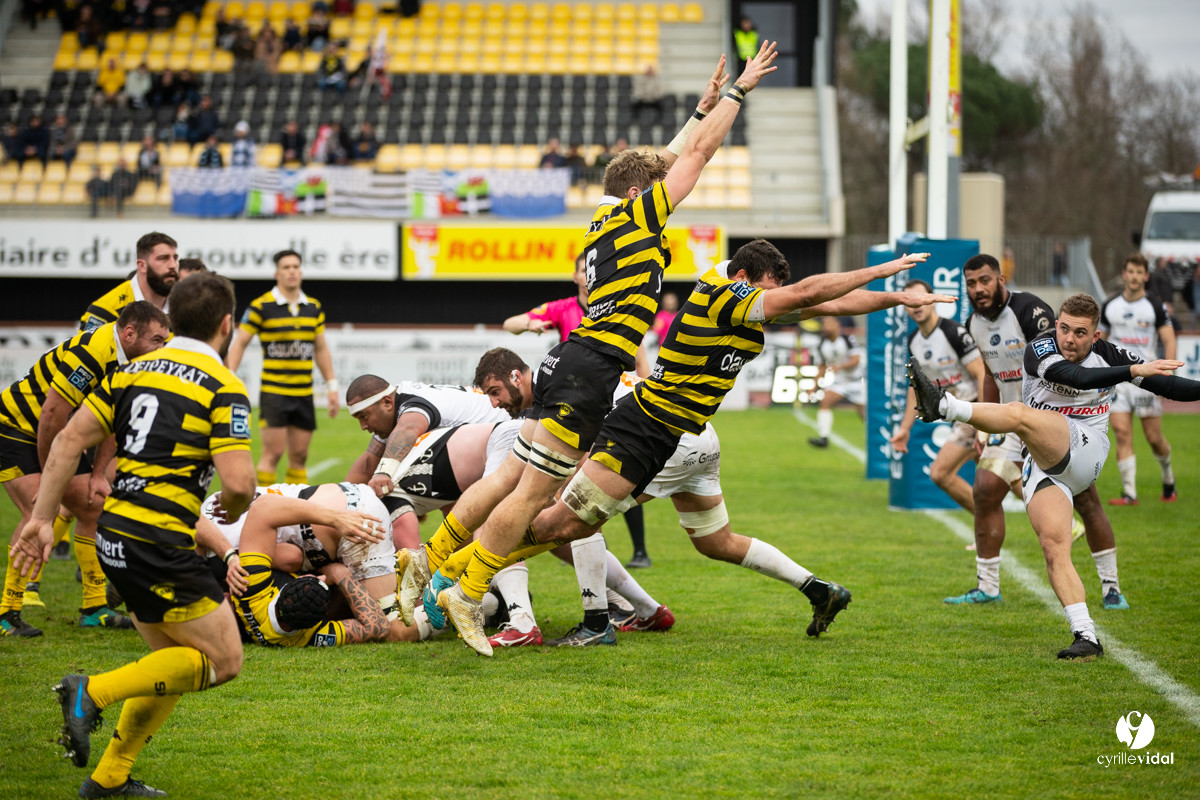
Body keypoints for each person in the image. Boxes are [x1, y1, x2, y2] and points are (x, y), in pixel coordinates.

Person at [397, 47, 781, 655]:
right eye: (656, 186)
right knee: (531, 495)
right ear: (639, 193)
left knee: (510, 478)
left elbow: (664, 159)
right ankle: (465, 592)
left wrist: (699, 110)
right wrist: (737, 95)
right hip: (591, 370)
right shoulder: (640, 216)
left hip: (568, 362)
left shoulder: (605, 219)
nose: (667, 190)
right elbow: (699, 157)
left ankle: (432, 560)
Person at [430, 242, 953, 654]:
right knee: (556, 524)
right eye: (767, 291)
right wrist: (884, 272)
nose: (772, 303)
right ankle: (460, 583)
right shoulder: (721, 294)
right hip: (643, 425)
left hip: (671, 435)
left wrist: (898, 299)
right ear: (744, 279)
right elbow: (803, 296)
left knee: (575, 525)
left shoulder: (745, 301)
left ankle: (472, 583)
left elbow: (823, 299)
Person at [9, 272, 258, 797]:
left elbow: (66, 442)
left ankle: (109, 778)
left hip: (115, 535)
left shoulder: (130, 372)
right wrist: (231, 505)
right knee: (224, 661)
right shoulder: (223, 387)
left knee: (170, 660)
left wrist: (40, 519)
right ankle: (90, 692)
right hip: (160, 540)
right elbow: (239, 484)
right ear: (227, 325)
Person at [907, 293, 1200, 659]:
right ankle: (1086, 636)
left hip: (1086, 447)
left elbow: (1168, 385)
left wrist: (1138, 371)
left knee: (1018, 414)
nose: (1069, 339)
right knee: (1053, 546)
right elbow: (1070, 376)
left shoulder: (1110, 354)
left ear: (1095, 336)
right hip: (1044, 461)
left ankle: (944, 405)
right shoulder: (1040, 349)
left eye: (1080, 333)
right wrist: (1132, 372)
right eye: (1064, 328)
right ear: (1056, 325)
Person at [949, 254, 1112, 606]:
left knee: (1087, 500)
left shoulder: (1029, 311)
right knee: (985, 490)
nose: (978, 289)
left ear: (1000, 279)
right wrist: (982, 426)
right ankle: (988, 586)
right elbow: (990, 376)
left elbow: (1058, 364)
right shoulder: (972, 322)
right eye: (971, 283)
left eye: (984, 281)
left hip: (1050, 419)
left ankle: (1111, 587)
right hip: (1007, 421)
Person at [0, 302, 171, 638]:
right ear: (129, 333)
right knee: (37, 509)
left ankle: (93, 607)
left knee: (93, 504)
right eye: (157, 340)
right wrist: (53, 477)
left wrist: (96, 473)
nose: (162, 349)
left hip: (61, 433)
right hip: (15, 427)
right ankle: (7, 611)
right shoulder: (91, 352)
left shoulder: (137, 363)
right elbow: (51, 413)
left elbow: (109, 422)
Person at [501, 255, 652, 566]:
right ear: (576, 276)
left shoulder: (617, 309)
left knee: (617, 475)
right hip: (577, 406)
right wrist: (529, 324)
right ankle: (595, 553)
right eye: (584, 270)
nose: (589, 275)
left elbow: (641, 364)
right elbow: (509, 323)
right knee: (584, 484)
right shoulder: (562, 309)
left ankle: (638, 551)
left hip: (613, 404)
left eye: (592, 269)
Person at [225, 249, 339, 488]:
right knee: (272, 454)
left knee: (299, 457)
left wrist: (332, 386)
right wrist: (227, 379)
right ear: (277, 273)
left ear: (301, 271)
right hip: (274, 393)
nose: (292, 271)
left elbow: (320, 349)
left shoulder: (313, 307)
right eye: (286, 267)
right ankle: (259, 509)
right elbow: (240, 344)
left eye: (296, 266)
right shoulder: (261, 306)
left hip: (303, 394)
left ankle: (295, 517)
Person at [889, 279, 987, 514]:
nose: (916, 306)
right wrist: (904, 429)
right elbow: (917, 389)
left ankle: (985, 527)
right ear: (904, 307)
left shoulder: (952, 331)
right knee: (998, 476)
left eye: (921, 299)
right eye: (910, 302)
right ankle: (988, 536)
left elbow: (982, 375)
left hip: (975, 411)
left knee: (940, 473)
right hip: (961, 414)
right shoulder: (914, 341)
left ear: (932, 300)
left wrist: (985, 424)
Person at [1099, 253, 1177, 505]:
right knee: (1122, 433)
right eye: (1129, 271)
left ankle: (1168, 477)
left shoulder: (1155, 306)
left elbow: (1169, 339)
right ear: (1124, 274)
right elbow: (1100, 340)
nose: (1133, 276)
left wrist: (1169, 375)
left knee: (1154, 439)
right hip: (1120, 379)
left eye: (1138, 272)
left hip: (1148, 378)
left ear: (1146, 276)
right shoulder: (1110, 305)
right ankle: (1129, 493)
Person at [80, 231, 177, 332]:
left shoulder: (184, 305)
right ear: (142, 265)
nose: (173, 265)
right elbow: (84, 347)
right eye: (163, 258)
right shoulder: (106, 310)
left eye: (175, 258)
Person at [807, 316, 864, 448]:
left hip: (857, 381)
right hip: (840, 382)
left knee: (864, 415)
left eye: (830, 323)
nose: (827, 326)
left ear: (837, 325)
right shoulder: (822, 343)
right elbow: (821, 367)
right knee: (825, 401)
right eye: (825, 323)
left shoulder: (846, 339)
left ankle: (877, 437)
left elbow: (856, 360)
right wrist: (813, 387)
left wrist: (840, 367)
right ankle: (824, 437)